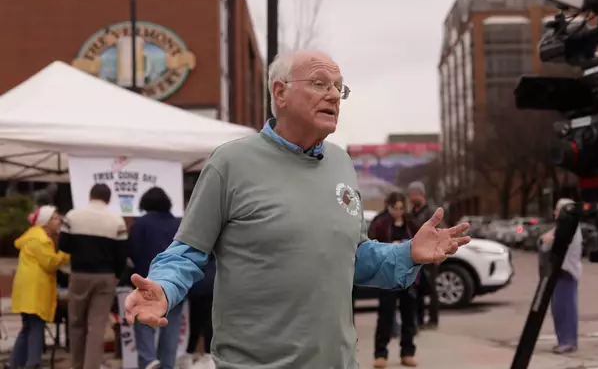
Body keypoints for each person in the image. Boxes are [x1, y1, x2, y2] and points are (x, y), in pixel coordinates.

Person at [124, 49, 471, 369]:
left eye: (339, 87)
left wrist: (408, 253)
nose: (334, 95)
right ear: (280, 93)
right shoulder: (229, 163)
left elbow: (352, 257)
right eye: (320, 84)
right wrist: (164, 288)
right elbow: (187, 252)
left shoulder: (341, 163)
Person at [58, 184, 128, 369]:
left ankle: (77, 364)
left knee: (76, 322)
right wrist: (117, 276)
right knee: (96, 325)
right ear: (108, 198)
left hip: (79, 274)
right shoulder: (117, 221)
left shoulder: (73, 215)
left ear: (90, 195)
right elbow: (122, 255)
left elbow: (63, 246)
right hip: (105, 276)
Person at [8, 205, 70, 369]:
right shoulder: (40, 239)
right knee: (36, 327)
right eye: (55, 218)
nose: (59, 221)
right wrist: (66, 254)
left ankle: (14, 363)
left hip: (27, 290)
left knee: (28, 327)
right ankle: (33, 363)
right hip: (35, 290)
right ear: (45, 223)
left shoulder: (33, 236)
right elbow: (50, 263)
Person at [128, 187, 183, 369]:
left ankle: (149, 360)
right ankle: (167, 365)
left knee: (143, 321)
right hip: (176, 283)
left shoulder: (141, 224)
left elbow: (133, 251)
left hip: (148, 281)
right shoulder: (179, 224)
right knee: (171, 328)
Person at [368, 192, 419, 368]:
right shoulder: (380, 223)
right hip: (388, 276)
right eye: (394, 208)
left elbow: (419, 243)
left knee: (409, 315)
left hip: (408, 275)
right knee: (386, 316)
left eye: (401, 208)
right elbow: (371, 246)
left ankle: (408, 352)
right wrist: (391, 247)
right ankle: (380, 354)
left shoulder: (411, 223)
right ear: (388, 207)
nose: (398, 212)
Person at [539, 198, 582, 354]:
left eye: (558, 210)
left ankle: (568, 341)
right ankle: (563, 339)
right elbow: (545, 241)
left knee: (565, 308)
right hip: (559, 272)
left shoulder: (569, 227)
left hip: (566, 272)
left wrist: (547, 241)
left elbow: (549, 243)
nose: (555, 213)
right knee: (558, 308)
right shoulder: (561, 227)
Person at [407, 181, 440, 330]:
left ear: (421, 194)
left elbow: (440, 232)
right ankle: (419, 319)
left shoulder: (431, 212)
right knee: (418, 288)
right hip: (416, 254)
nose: (411, 198)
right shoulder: (411, 213)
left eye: (414, 194)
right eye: (410, 195)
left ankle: (433, 320)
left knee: (431, 288)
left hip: (430, 254)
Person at [186, 255, 216, 357]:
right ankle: (203, 353)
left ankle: (195, 352)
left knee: (199, 322)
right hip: (207, 285)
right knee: (204, 322)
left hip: (200, 286)